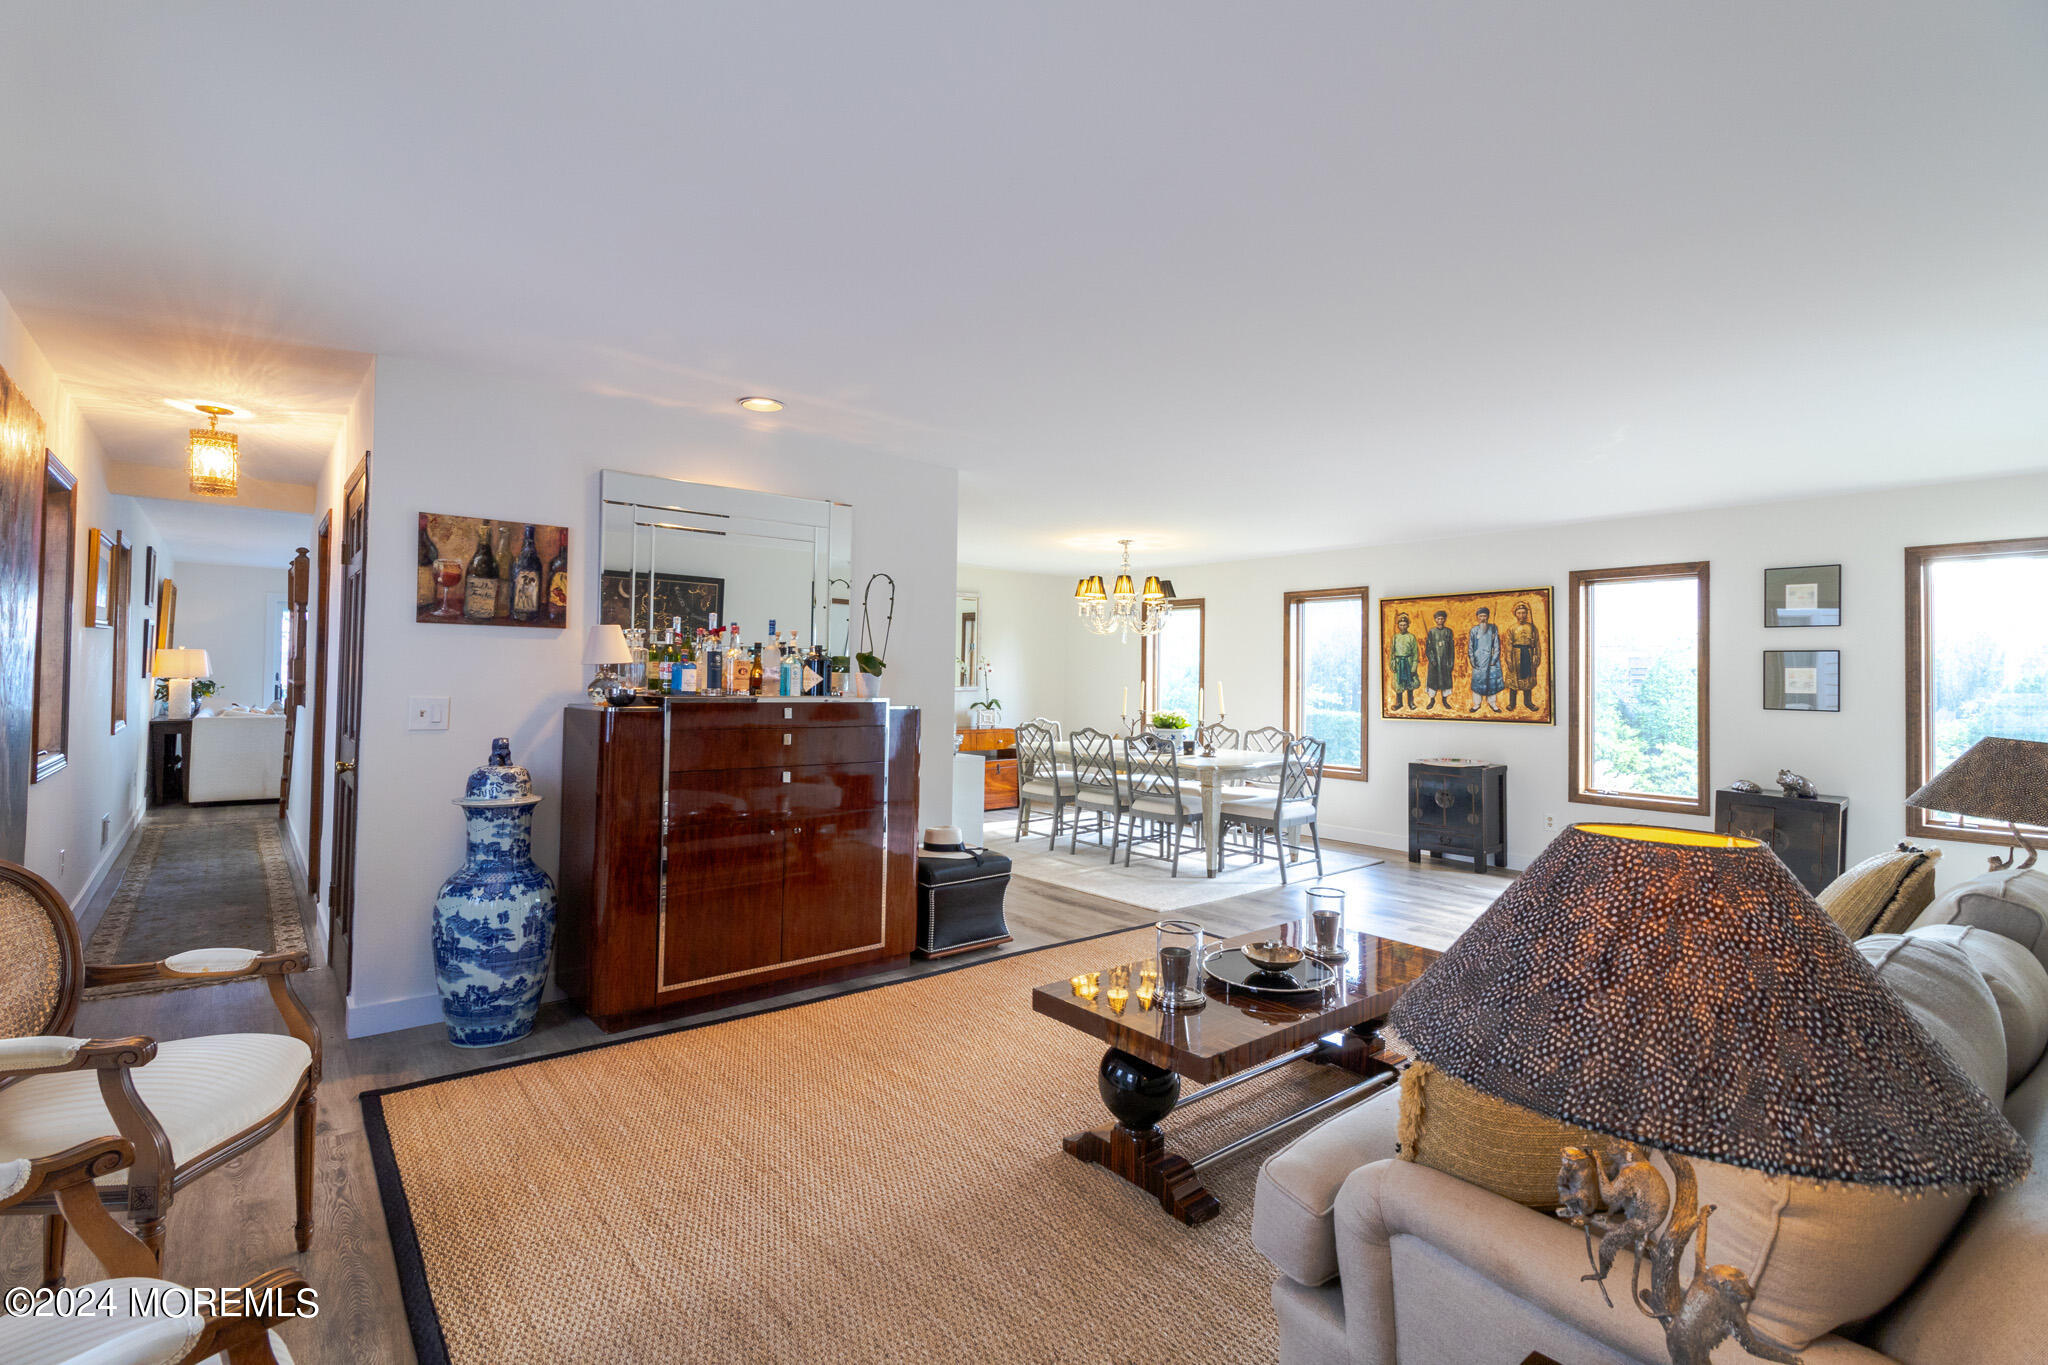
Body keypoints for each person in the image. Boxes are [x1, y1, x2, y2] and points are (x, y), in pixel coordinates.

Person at [1504, 600, 1542, 713]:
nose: (1521, 615)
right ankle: (1512, 703)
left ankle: (1528, 702)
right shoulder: (1512, 628)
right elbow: (1508, 646)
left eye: (1524, 613)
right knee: (1514, 680)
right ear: (1515, 614)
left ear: (1527, 614)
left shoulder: (1532, 628)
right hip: (1516, 655)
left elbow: (1537, 645)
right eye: (1519, 613)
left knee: (1527, 680)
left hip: (1528, 655)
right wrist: (1509, 660)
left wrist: (1536, 656)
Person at [1467, 606, 1504, 713]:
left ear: (1488, 617)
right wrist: (1472, 660)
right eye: (1480, 616)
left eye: (1484, 616)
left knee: (1492, 682)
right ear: (1477, 618)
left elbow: (1497, 645)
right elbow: (1470, 646)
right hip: (1478, 661)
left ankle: (1493, 704)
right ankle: (1477, 704)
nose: (1483, 618)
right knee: (1478, 683)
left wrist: (1494, 659)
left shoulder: (1493, 628)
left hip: (1491, 661)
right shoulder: (1474, 630)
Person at [1423, 609, 1456, 710]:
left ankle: (1444, 700)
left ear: (1445, 619)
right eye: (1438, 619)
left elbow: (1451, 648)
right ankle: (1432, 700)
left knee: (1445, 682)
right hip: (1435, 663)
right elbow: (1428, 648)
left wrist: (1450, 662)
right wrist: (1432, 660)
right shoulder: (1432, 632)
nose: (1440, 620)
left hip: (1445, 662)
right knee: (1433, 682)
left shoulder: (1448, 631)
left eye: (1442, 619)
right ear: (1435, 620)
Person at [1388, 612, 1420, 710]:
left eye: (1404, 625)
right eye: (1401, 625)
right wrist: (1392, 663)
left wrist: (1414, 667)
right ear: (1398, 626)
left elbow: (1415, 653)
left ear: (1408, 625)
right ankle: (1399, 703)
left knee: (1409, 683)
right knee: (1399, 683)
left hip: (1408, 662)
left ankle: (1410, 702)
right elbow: (1391, 652)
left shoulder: (1411, 637)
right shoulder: (1395, 637)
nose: (1403, 627)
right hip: (1398, 663)